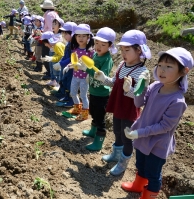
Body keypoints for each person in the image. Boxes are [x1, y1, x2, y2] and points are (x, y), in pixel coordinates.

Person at [121, 47, 193, 199]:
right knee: (140, 165)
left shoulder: (177, 101)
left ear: (183, 71)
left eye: (169, 66)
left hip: (158, 144)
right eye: (160, 65)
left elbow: (165, 127)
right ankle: (138, 185)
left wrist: (138, 132)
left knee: (153, 173)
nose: (162, 70)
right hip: (143, 137)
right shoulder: (155, 86)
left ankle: (149, 195)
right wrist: (135, 89)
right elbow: (139, 103)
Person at [93, 30, 151, 176]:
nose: (123, 53)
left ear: (139, 50)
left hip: (129, 110)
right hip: (118, 105)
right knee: (117, 131)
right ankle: (116, 154)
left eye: (127, 50)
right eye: (122, 50)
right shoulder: (121, 65)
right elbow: (113, 83)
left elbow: (141, 98)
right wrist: (103, 78)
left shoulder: (142, 72)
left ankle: (123, 163)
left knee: (127, 137)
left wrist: (129, 90)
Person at [77, 27, 117, 150]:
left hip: (102, 94)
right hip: (93, 90)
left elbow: (101, 75)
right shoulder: (95, 54)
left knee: (100, 118)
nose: (98, 46)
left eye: (103, 44)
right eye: (96, 43)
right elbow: (90, 65)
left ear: (110, 46)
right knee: (93, 112)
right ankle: (93, 131)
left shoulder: (107, 59)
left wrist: (87, 69)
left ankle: (98, 142)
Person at [65, 24, 94, 121]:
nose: (81, 38)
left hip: (84, 78)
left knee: (83, 95)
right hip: (75, 75)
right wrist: (68, 66)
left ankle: (85, 113)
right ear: (75, 37)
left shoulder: (90, 51)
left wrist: (89, 74)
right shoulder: (75, 49)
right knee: (73, 92)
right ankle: (77, 108)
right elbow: (73, 61)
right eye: (78, 36)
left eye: (83, 36)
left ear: (88, 37)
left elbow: (91, 65)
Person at [54, 22, 77, 108]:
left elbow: (72, 58)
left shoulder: (74, 45)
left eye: (66, 33)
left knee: (71, 84)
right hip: (67, 67)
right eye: (63, 33)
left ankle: (72, 101)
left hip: (72, 68)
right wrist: (61, 62)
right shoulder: (68, 43)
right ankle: (66, 96)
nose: (64, 35)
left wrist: (61, 63)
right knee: (66, 82)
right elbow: (65, 55)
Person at [40, 0, 59, 80]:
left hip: (49, 38)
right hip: (51, 37)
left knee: (46, 55)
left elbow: (52, 28)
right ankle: (50, 73)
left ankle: (50, 73)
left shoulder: (48, 15)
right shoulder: (53, 13)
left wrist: (49, 40)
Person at [44, 17, 64, 88]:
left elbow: (55, 46)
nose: (53, 25)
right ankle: (53, 80)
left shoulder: (59, 36)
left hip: (56, 54)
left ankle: (58, 83)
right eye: (52, 23)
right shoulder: (52, 34)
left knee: (56, 69)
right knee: (51, 68)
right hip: (51, 52)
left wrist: (48, 45)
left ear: (60, 26)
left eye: (55, 24)